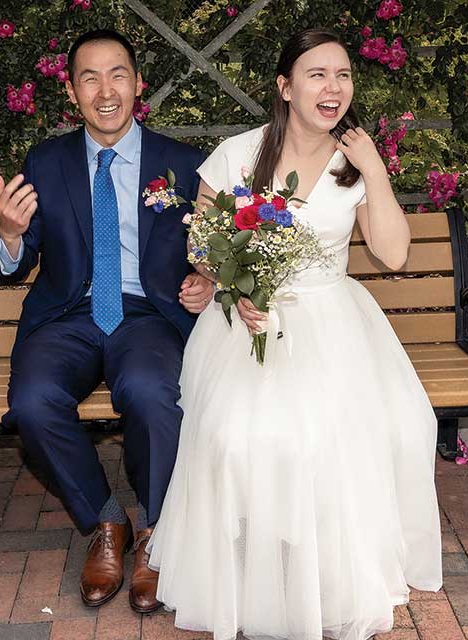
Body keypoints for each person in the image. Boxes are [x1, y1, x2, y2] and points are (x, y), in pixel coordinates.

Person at [148, 28, 443, 639]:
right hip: (246, 320)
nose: (332, 87)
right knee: (236, 437)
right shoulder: (238, 154)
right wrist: (228, 287)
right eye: (316, 74)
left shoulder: (354, 162)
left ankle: (324, 573)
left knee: (332, 440)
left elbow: (391, 254)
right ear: (285, 87)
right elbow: (202, 243)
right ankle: (245, 566)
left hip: (334, 322)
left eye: (342, 75)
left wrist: (376, 171)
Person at [0, 29, 212, 613]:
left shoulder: (184, 164)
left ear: (138, 85)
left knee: (154, 393)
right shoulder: (47, 160)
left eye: (117, 75)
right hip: (68, 315)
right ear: (72, 90)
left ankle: (155, 533)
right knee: (32, 402)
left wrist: (208, 281)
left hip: (147, 314)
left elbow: (214, 247)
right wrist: (9, 236)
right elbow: (17, 260)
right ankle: (106, 522)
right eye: (89, 77)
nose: (105, 90)